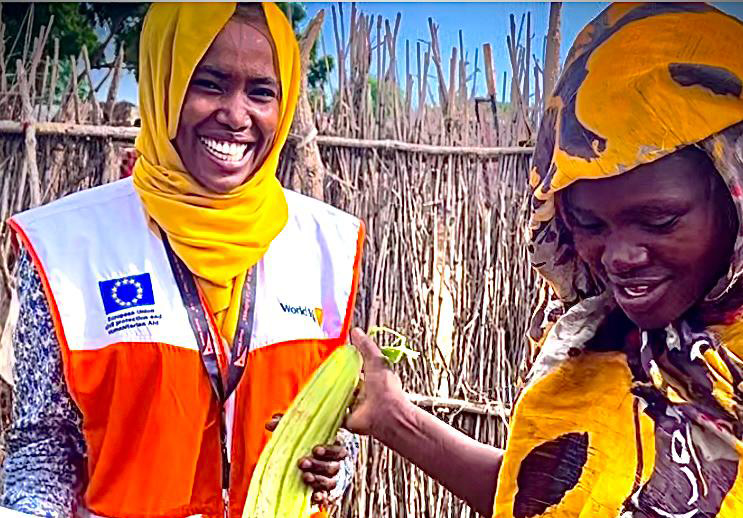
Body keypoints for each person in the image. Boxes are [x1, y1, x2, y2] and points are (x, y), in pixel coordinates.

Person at [347, 3, 743, 517]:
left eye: (660, 220)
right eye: (589, 225)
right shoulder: (595, 340)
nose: (618, 258)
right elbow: (544, 496)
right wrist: (391, 417)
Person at [1, 4, 363, 518]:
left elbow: (332, 427)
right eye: (209, 84)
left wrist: (333, 468)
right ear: (163, 86)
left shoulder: (326, 245)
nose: (236, 116)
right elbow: (44, 449)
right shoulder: (68, 249)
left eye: (261, 91)